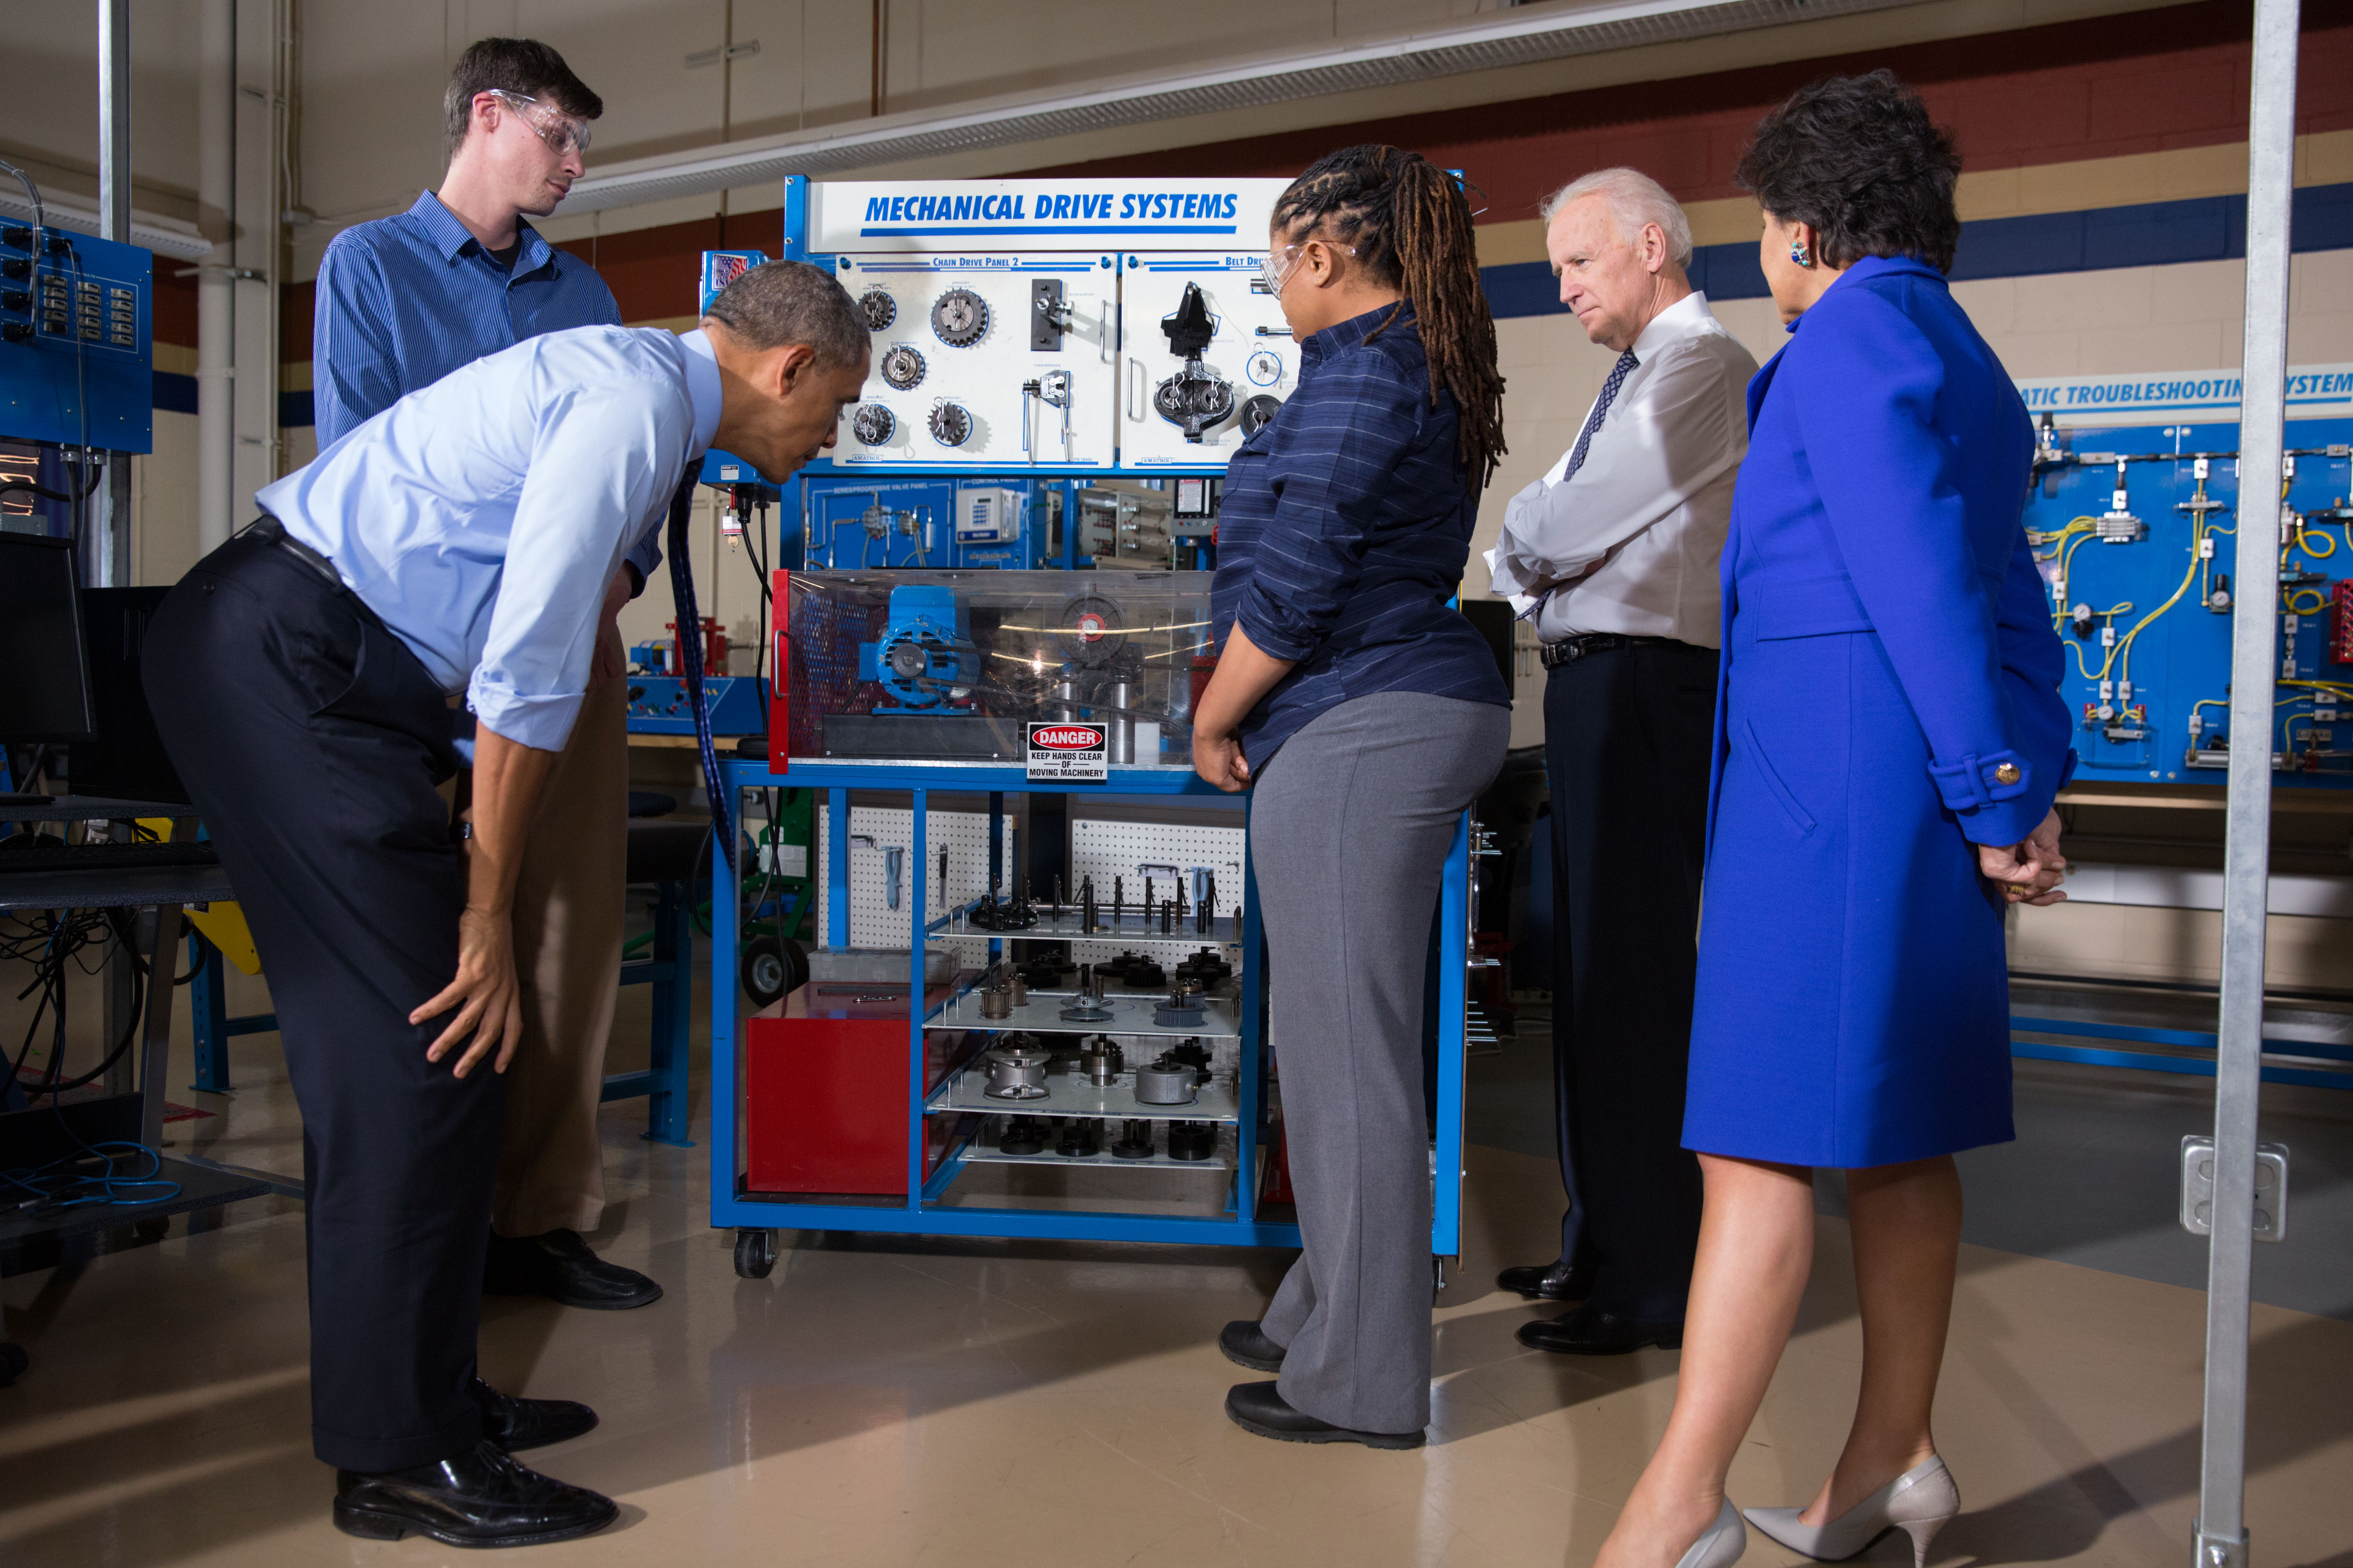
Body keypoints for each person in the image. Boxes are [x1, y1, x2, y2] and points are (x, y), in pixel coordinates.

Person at [143, 262, 870, 1548]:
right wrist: (486, 903)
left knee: (444, 1056)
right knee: (419, 1052)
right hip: (286, 655)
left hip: (312, 660)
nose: (817, 451)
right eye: (830, 418)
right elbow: (530, 664)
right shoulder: (636, 404)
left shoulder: (638, 388)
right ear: (790, 368)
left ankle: (434, 1400)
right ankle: (402, 1454)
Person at [1592, 72, 2072, 1568]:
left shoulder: (1850, 332)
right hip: (1913, 785)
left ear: (1803, 227)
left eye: (1761, 234)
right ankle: (1887, 1463)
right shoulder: (1958, 346)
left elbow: (1920, 579)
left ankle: (1674, 1511)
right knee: (1898, 1145)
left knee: (1748, 1147)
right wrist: (2016, 777)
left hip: (1835, 794)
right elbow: (2009, 594)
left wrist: (1995, 788)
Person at [312, 36, 666, 1312]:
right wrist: (458, 633)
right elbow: (363, 463)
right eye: (557, 137)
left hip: (575, 632)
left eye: (581, 145)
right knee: (444, 924)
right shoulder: (370, 266)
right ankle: (440, 1220)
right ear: (486, 115)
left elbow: (637, 468)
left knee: (567, 921)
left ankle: (538, 1218)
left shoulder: (585, 293)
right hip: (434, 637)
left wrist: (618, 576)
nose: (574, 165)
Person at [1194, 144, 1512, 1450]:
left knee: (1345, 1061)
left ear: (1320, 253)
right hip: (1388, 710)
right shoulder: (1394, 367)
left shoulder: (1367, 374)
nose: (1274, 283)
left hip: (1360, 719)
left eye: (1277, 259)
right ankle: (1318, 1310)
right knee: (1332, 1045)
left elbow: (1297, 578)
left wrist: (1215, 714)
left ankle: (1363, 1380)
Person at [1485, 168, 1756, 1353]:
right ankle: (1598, 1237)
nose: (1563, 288)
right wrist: (1536, 544)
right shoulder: (1630, 381)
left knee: (1634, 985)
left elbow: (1554, 525)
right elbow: (1530, 527)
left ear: (1651, 246)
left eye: (1578, 263)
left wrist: (1539, 544)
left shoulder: (1700, 368)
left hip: (1650, 688)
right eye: (1553, 268)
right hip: (1598, 685)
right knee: (1586, 982)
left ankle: (1652, 1277)